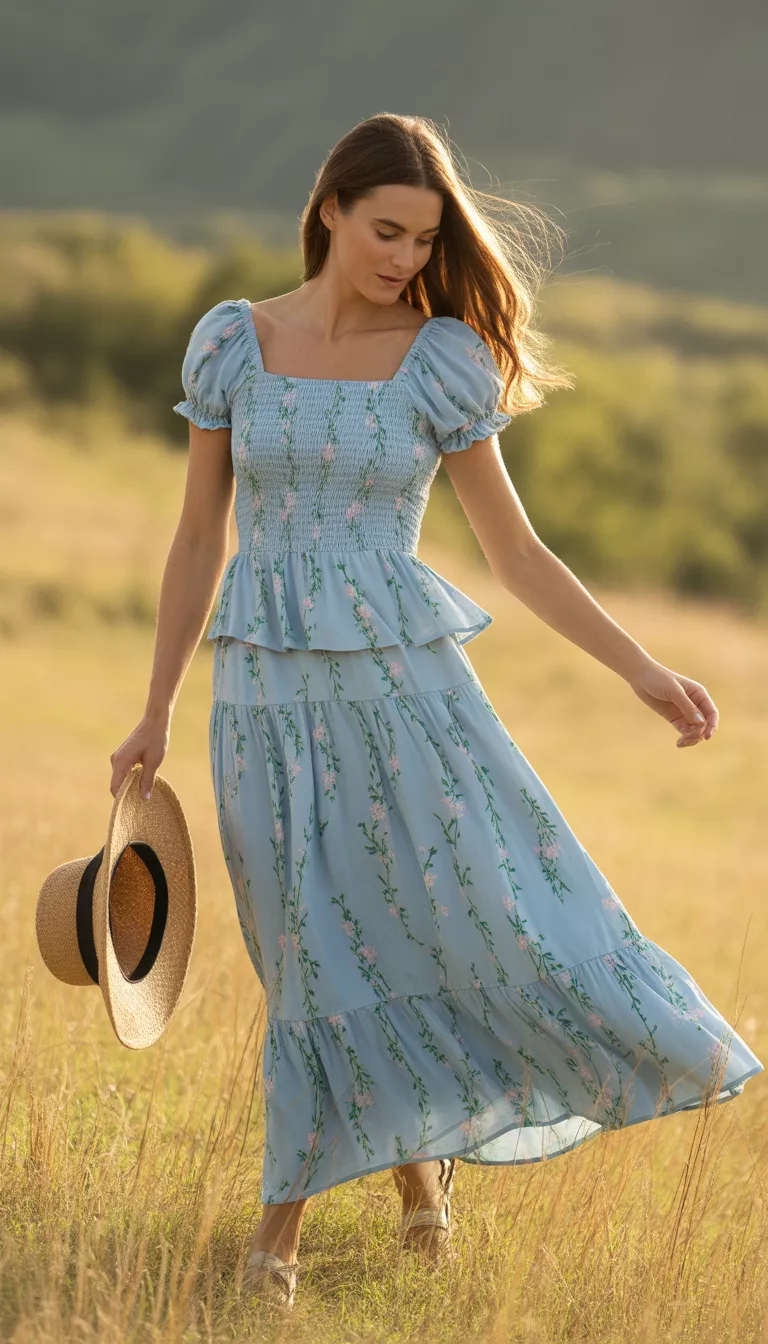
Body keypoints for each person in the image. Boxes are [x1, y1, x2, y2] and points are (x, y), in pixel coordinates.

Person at [109, 112, 762, 1307]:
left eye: (424, 237)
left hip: (403, 693)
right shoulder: (234, 347)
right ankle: (419, 1188)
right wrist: (152, 708)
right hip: (260, 692)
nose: (406, 257)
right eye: (387, 230)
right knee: (303, 944)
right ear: (330, 211)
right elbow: (199, 535)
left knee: (434, 920)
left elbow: (517, 556)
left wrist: (642, 669)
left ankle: (277, 1240)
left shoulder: (442, 357)